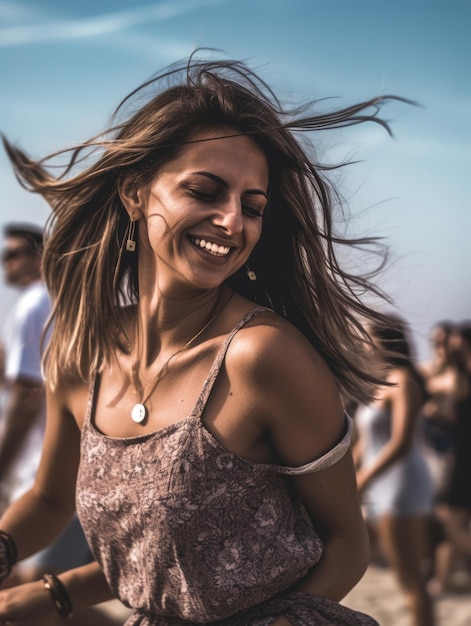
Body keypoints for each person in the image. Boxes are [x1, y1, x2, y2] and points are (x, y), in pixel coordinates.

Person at [0, 55, 410, 625]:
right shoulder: (81, 353)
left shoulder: (261, 356)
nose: (232, 222)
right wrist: (35, 581)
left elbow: (346, 542)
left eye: (252, 206)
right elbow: (50, 503)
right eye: (205, 190)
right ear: (134, 193)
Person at [353, 314, 436, 626]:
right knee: (357, 560)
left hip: (401, 483)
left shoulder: (404, 381)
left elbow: (401, 442)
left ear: (384, 342)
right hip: (377, 481)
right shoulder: (379, 384)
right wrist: (347, 473)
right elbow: (366, 444)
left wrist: (364, 478)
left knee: (409, 576)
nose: (363, 346)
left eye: (367, 340)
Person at [427, 322, 471, 595]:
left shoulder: (460, 376)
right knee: (454, 522)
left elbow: (437, 382)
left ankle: (440, 582)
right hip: (461, 452)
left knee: (446, 516)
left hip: (464, 457)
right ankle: (440, 582)